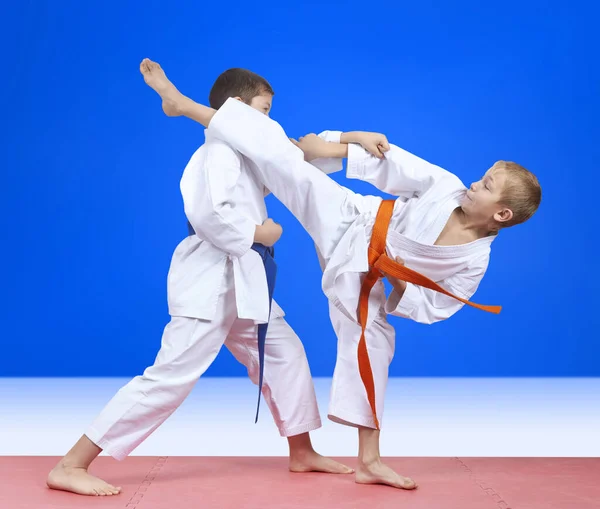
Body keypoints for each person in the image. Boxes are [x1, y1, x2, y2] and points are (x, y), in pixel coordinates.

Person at [139, 58, 541, 490]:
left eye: (486, 184)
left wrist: (397, 276)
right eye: (482, 177)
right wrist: (340, 143)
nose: (474, 184)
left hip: (370, 272)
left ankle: (369, 459)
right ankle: (183, 105)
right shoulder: (446, 186)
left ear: (501, 213)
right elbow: (390, 164)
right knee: (287, 164)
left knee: (373, 342)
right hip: (355, 220)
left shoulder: (472, 261)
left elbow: (434, 308)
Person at [46, 64, 353, 498]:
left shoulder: (247, 154)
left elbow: (295, 162)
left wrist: (351, 144)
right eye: (263, 110)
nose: (268, 121)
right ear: (235, 110)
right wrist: (258, 233)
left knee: (285, 354)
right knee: (170, 377)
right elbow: (209, 215)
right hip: (209, 283)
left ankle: (301, 450)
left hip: (243, 285)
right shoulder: (215, 155)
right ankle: (71, 464)